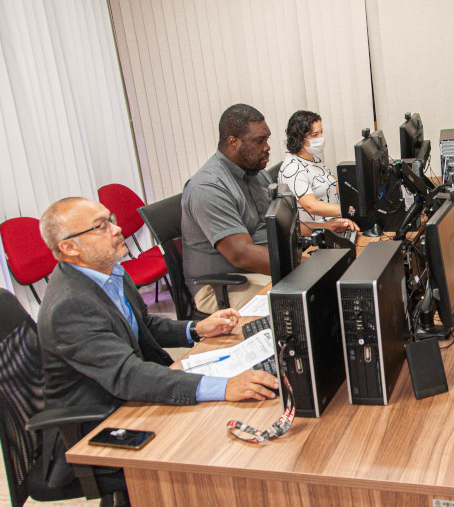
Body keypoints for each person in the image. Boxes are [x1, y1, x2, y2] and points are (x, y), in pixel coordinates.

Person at [37, 197, 279, 490]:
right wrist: (225, 386)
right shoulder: (71, 305)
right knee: (222, 450)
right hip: (101, 425)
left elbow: (143, 325)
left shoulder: (108, 271)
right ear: (69, 247)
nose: (116, 229)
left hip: (132, 393)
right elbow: (127, 376)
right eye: (101, 226)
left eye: (110, 219)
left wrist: (196, 328)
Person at [182, 104, 357, 313]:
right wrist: (303, 262)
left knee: (332, 282)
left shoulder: (256, 174)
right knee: (314, 300)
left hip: (263, 263)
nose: (267, 147)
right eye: (259, 141)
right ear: (233, 142)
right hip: (228, 283)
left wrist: (324, 227)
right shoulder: (209, 188)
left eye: (267, 139)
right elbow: (241, 254)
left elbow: (284, 225)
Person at [279, 110, 347, 223]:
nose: (321, 138)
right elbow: (312, 206)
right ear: (299, 139)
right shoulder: (293, 168)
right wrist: (349, 210)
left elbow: (334, 183)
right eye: (315, 135)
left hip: (336, 222)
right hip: (321, 230)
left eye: (321, 132)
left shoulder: (313, 159)